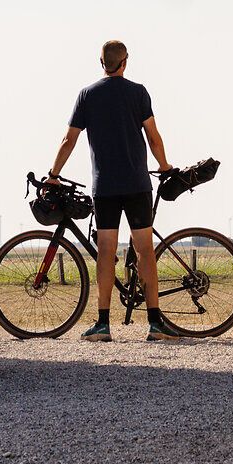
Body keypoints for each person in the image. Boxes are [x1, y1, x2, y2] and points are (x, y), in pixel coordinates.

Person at [44, 39, 180, 342]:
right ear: (125, 62)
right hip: (136, 184)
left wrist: (54, 174)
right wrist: (165, 165)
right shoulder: (138, 92)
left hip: (104, 186)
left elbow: (69, 140)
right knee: (145, 250)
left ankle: (103, 324)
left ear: (100, 62)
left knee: (105, 250)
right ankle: (155, 324)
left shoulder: (87, 95)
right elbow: (154, 137)